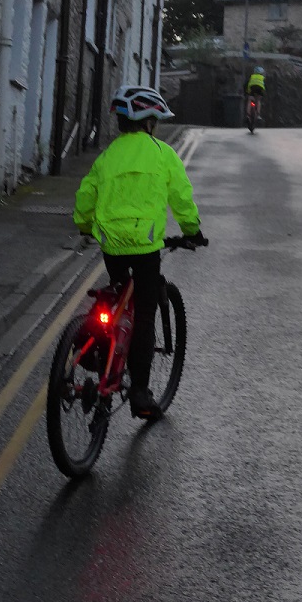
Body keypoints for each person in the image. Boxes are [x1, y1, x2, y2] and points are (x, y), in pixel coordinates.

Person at [73, 85, 205, 420]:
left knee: (115, 299)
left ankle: (100, 357)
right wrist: (192, 231)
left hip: (112, 245)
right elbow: (182, 198)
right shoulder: (162, 154)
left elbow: (86, 195)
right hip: (145, 247)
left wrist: (85, 225)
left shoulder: (107, 156)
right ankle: (141, 394)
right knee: (144, 314)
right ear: (149, 122)